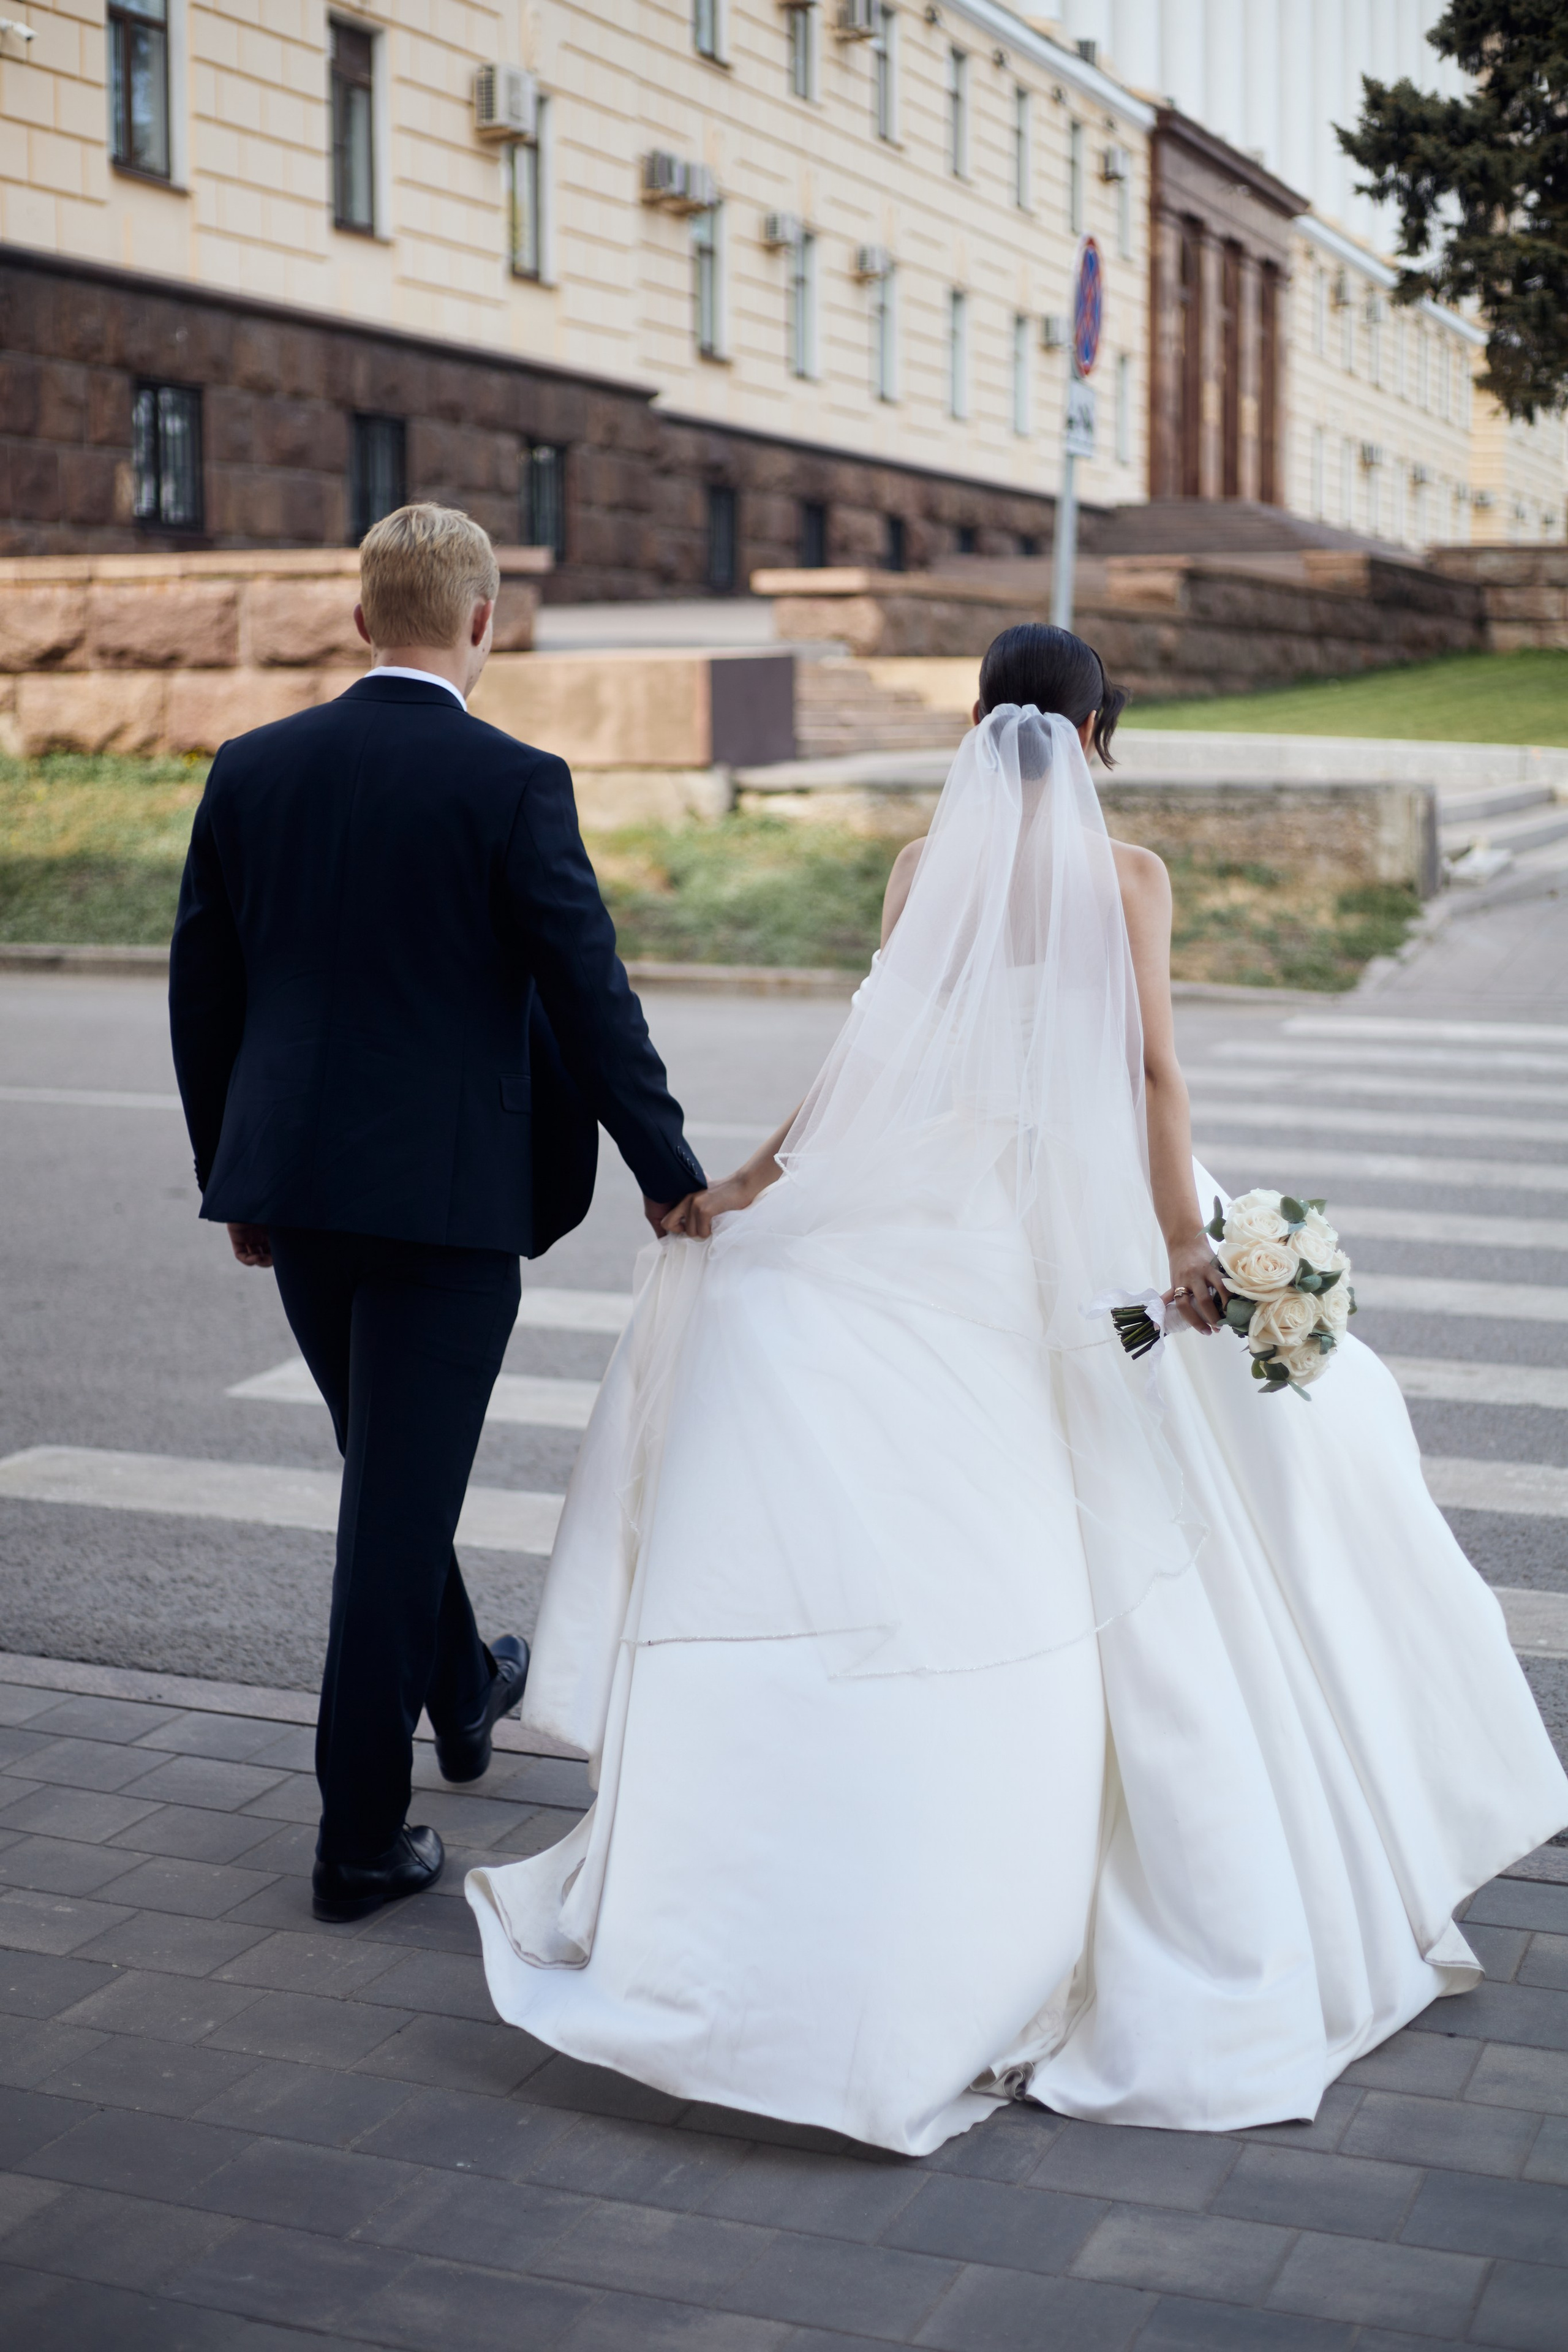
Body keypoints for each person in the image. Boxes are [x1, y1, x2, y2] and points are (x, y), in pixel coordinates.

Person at [467, 622, 1567, 2155]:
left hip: (949, 1239)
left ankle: (899, 1876)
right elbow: (1151, 1079)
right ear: (1098, 730)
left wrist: (748, 1185)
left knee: (965, 1527)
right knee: (1175, 1487)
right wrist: (1184, 1249)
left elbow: (869, 1062)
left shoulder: (925, 868)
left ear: (979, 726)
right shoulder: (1131, 882)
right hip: (1096, 1259)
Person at [168, 503, 704, 1924]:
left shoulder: (252, 768)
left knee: (392, 1490)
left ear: (360, 620)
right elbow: (588, 993)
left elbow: (204, 992)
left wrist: (236, 1167)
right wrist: (668, 1170)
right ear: (485, 624)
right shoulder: (513, 780)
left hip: (303, 1203)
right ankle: (359, 1842)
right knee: (390, 1520)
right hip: (450, 1212)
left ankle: (465, 1690)